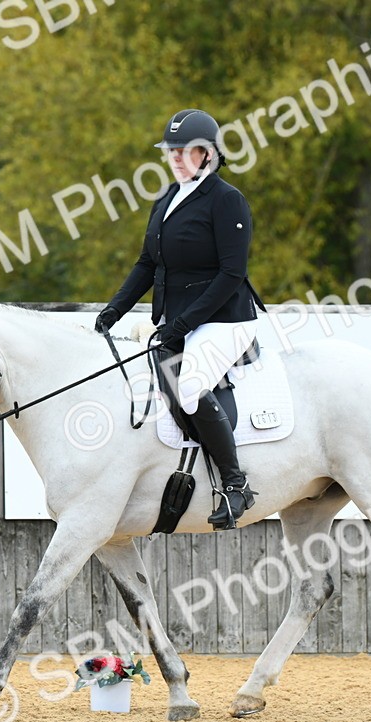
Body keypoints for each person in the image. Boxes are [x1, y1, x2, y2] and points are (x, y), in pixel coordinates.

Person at [95, 108, 266, 530]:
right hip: (182, 319)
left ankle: (236, 484)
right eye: (171, 150)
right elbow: (146, 264)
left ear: (208, 154)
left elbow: (232, 274)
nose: (174, 156)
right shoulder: (168, 198)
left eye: (184, 150)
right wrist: (114, 309)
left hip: (225, 320)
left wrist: (181, 324)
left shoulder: (227, 200)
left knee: (189, 386)